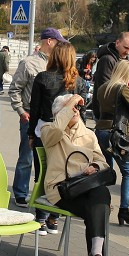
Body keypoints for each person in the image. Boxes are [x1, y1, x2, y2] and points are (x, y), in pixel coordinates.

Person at [40, 93, 112, 256]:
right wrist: (70, 101)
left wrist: (95, 167)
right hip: (61, 190)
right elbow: (55, 130)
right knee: (99, 206)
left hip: (85, 187)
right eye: (71, 108)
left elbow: (103, 161)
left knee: (100, 196)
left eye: (77, 108)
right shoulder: (49, 130)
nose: (76, 111)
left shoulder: (88, 134)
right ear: (59, 112)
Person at [29, 41, 87, 232]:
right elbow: (83, 110)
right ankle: (55, 217)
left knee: (42, 174)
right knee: (64, 174)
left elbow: (35, 109)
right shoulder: (78, 81)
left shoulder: (43, 78)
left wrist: (30, 134)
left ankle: (41, 219)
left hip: (44, 131)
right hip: (68, 133)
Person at [8, 28, 65, 206]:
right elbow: (15, 89)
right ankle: (20, 192)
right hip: (30, 117)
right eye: (58, 42)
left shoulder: (58, 65)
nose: (60, 46)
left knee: (50, 159)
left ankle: (44, 194)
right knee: (26, 156)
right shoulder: (29, 63)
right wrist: (21, 111)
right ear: (49, 41)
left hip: (51, 120)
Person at [95, 60, 129, 226]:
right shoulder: (123, 89)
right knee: (128, 171)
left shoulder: (103, 88)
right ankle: (124, 210)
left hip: (101, 130)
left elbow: (97, 111)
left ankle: (103, 207)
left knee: (106, 172)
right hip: (117, 133)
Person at [91, 32, 129, 119]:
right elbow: (105, 89)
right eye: (126, 48)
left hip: (115, 112)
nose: (128, 52)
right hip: (106, 113)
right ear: (117, 43)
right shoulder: (107, 60)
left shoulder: (124, 59)